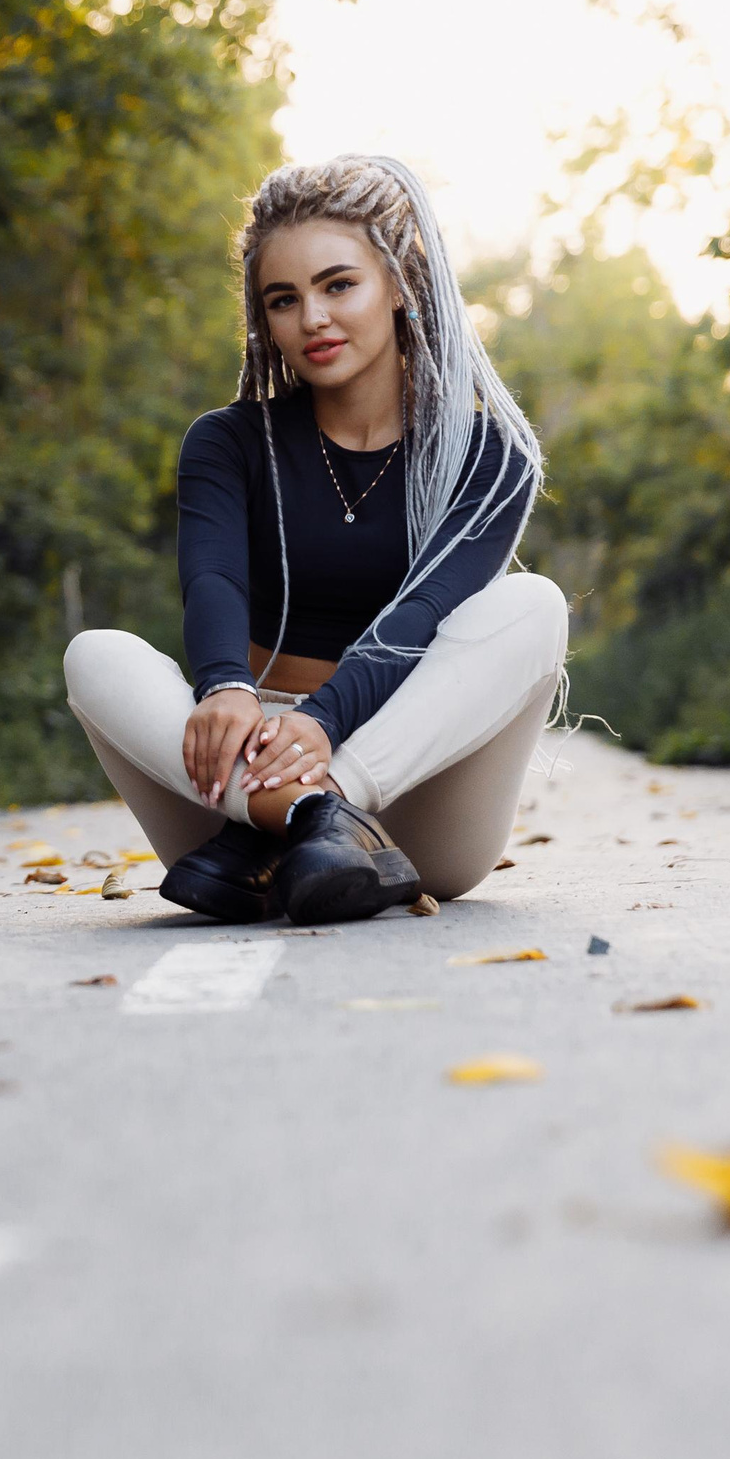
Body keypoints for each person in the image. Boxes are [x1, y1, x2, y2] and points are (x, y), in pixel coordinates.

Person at [62, 154, 567, 925]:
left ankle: (328, 812)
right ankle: (300, 825)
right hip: (241, 770)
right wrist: (226, 685)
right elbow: (214, 582)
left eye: (339, 285)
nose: (313, 320)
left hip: (407, 791)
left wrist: (325, 730)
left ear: (401, 284)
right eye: (283, 299)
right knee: (94, 654)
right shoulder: (226, 443)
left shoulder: (492, 454)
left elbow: (426, 609)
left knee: (535, 603)